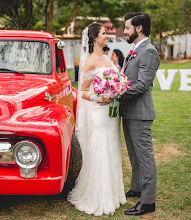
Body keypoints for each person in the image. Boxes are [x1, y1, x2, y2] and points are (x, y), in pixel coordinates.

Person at [67, 23, 126, 216]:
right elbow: (82, 91)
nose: (106, 35)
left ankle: (113, 194)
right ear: (94, 38)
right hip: (100, 111)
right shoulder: (90, 61)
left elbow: (114, 79)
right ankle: (99, 196)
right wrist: (100, 98)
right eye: (103, 33)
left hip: (112, 111)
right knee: (101, 147)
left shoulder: (107, 58)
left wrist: (117, 88)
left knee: (112, 146)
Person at [119, 12, 160, 216]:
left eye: (127, 27)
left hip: (140, 113)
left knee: (145, 158)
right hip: (129, 111)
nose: (125, 31)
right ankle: (136, 188)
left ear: (139, 28)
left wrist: (117, 93)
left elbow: (143, 85)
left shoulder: (149, 51)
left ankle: (148, 201)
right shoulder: (135, 50)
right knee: (134, 156)